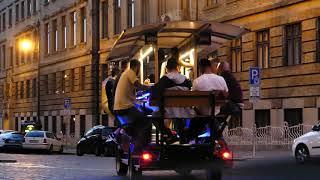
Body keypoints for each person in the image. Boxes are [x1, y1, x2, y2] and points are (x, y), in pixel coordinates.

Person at [152, 58, 193, 143]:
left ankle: (169, 134)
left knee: (154, 116)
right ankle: (182, 137)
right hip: (184, 110)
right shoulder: (186, 80)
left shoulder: (165, 79)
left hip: (168, 111)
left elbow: (155, 93)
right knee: (178, 115)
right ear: (177, 67)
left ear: (167, 68)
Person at [113, 59, 151, 152]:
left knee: (139, 120)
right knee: (146, 121)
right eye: (139, 68)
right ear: (137, 66)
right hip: (124, 107)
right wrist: (153, 88)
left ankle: (130, 135)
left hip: (120, 106)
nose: (139, 70)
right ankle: (143, 145)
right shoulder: (130, 72)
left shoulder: (126, 74)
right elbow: (139, 86)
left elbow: (132, 91)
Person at [188, 58, 229, 140]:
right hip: (218, 113)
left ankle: (190, 137)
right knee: (212, 120)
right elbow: (226, 94)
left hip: (202, 113)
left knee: (194, 120)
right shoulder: (221, 79)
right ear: (210, 66)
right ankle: (215, 139)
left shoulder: (197, 81)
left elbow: (193, 99)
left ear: (201, 68)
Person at [216, 61, 243, 128]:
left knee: (212, 117)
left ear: (220, 69)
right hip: (238, 105)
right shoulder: (231, 77)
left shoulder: (222, 77)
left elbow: (223, 93)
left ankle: (216, 133)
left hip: (232, 105)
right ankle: (217, 132)